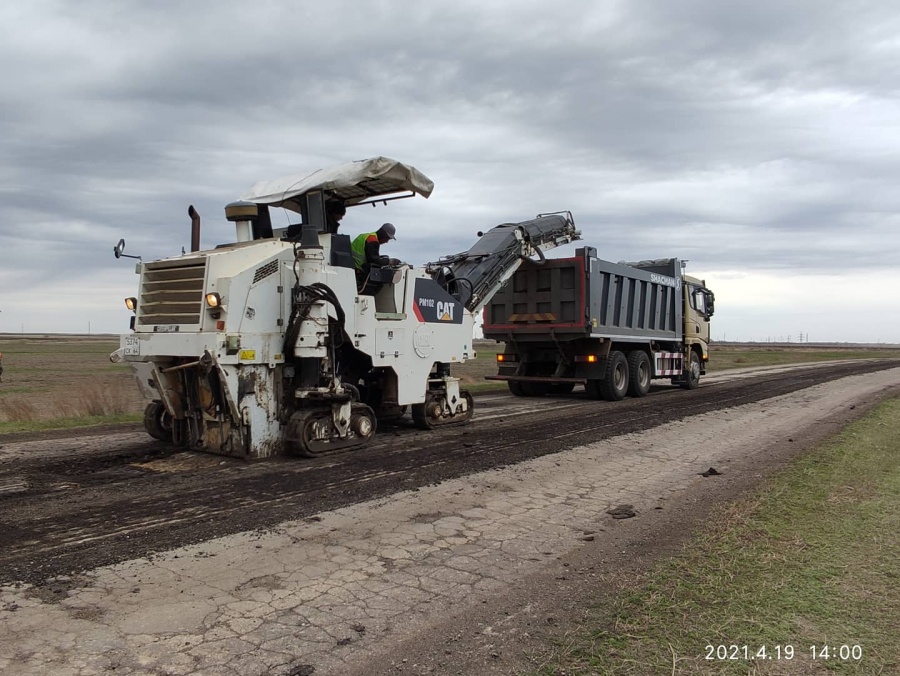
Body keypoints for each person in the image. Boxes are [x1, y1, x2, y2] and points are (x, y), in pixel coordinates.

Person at [351, 223, 397, 293]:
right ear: (383, 234)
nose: (386, 241)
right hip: (358, 271)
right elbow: (374, 261)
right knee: (379, 284)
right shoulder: (372, 240)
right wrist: (389, 261)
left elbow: (370, 256)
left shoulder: (366, 236)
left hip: (352, 266)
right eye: (387, 238)